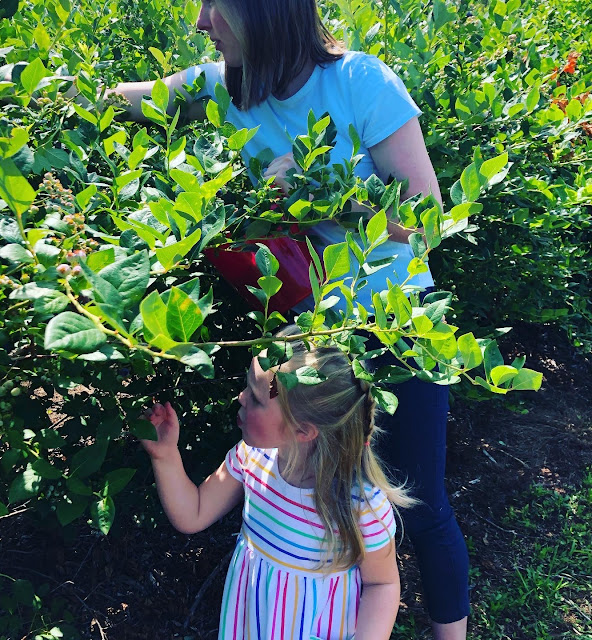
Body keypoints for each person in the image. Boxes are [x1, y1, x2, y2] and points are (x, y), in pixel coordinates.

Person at [51, 0, 471, 635]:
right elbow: (124, 99)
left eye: (213, 5)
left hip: (397, 330)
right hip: (307, 341)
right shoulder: (226, 86)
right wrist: (7, 85)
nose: (200, 22)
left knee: (422, 501)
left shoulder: (359, 81)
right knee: (311, 491)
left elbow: (427, 219)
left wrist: (322, 191)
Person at [141, 331, 415, 640]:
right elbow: (193, 513)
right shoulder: (251, 458)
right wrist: (165, 455)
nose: (241, 397)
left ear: (303, 430)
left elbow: (382, 584)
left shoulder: (358, 504)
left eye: (256, 398)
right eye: (248, 386)